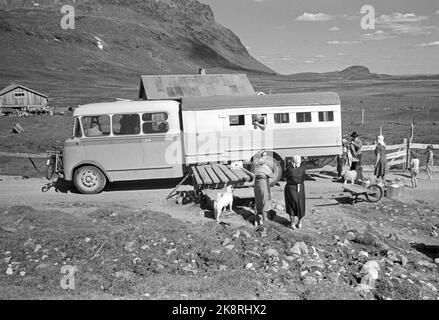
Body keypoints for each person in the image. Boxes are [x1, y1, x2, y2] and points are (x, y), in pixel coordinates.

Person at [284, 155, 306, 229]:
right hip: (300, 188)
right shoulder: (303, 169)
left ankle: (292, 223)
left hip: (290, 188)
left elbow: (285, 176)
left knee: (291, 205)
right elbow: (303, 178)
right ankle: (299, 223)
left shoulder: (289, 169)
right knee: (300, 205)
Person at [252, 151, 273, 228]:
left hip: (256, 183)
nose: (265, 157)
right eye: (264, 155)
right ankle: (264, 220)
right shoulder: (264, 166)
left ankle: (256, 220)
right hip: (263, 183)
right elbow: (272, 175)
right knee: (264, 200)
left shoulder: (256, 165)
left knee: (258, 200)